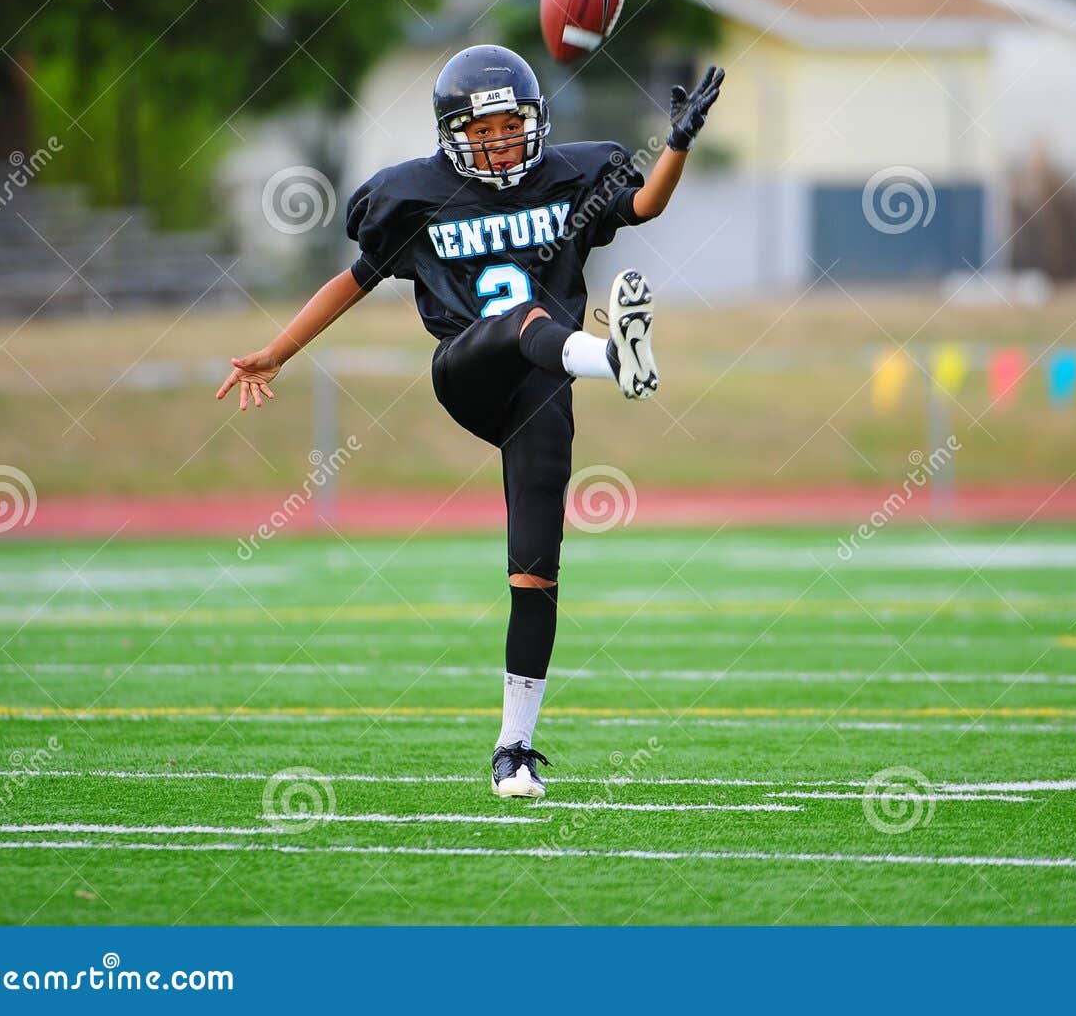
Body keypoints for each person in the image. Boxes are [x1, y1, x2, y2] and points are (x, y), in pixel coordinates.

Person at [216, 44, 724, 798]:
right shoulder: (416, 195)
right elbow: (352, 280)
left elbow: (645, 203)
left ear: (535, 122)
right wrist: (277, 351)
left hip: (544, 388)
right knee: (523, 316)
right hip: (470, 367)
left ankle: (513, 751)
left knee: (536, 571)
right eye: (482, 129)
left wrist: (676, 143)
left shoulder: (570, 176)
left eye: (512, 125)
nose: (500, 140)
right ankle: (615, 358)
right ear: (453, 132)